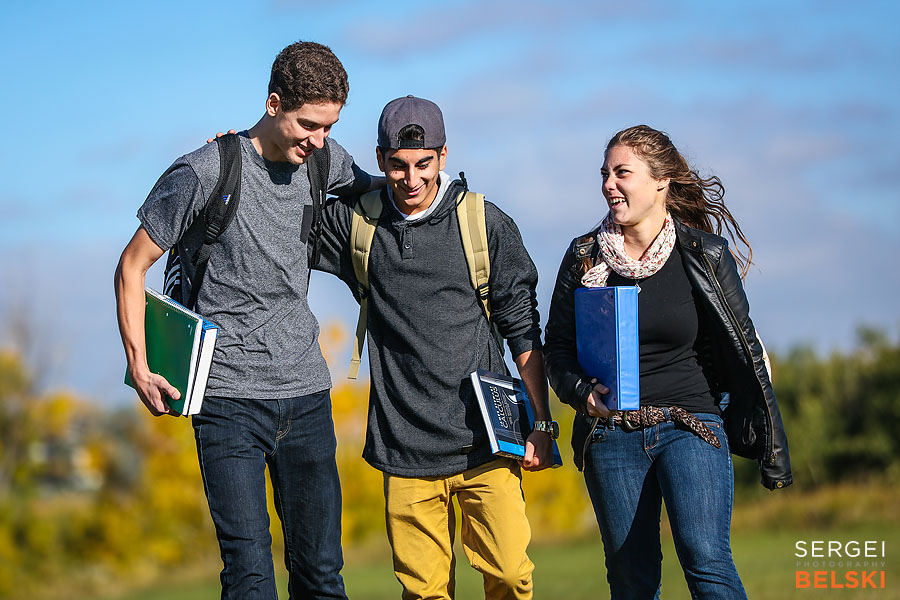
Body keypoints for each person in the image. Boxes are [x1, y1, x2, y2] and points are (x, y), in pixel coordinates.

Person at [114, 41, 378, 599]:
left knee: (322, 577)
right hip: (226, 401)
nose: (320, 141)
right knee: (250, 578)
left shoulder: (324, 161)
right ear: (274, 102)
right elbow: (131, 266)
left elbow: (388, 195)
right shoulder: (204, 170)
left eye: (330, 127)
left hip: (306, 396)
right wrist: (138, 365)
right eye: (309, 125)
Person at [313, 95, 556, 600]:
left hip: (487, 443)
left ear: (443, 157)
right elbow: (281, 209)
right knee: (424, 595)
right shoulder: (356, 224)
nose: (412, 178)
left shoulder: (484, 223)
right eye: (398, 166)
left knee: (511, 577)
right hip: (405, 448)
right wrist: (243, 155)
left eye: (424, 164)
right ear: (380, 161)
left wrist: (543, 424)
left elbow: (523, 332)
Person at [543, 125, 792, 599]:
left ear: (661, 181)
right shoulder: (582, 256)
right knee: (631, 579)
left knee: (707, 561)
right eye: (604, 174)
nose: (608, 185)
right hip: (612, 433)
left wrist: (773, 444)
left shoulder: (703, 253)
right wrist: (581, 395)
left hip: (691, 423)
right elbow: (556, 348)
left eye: (622, 173)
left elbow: (746, 350)